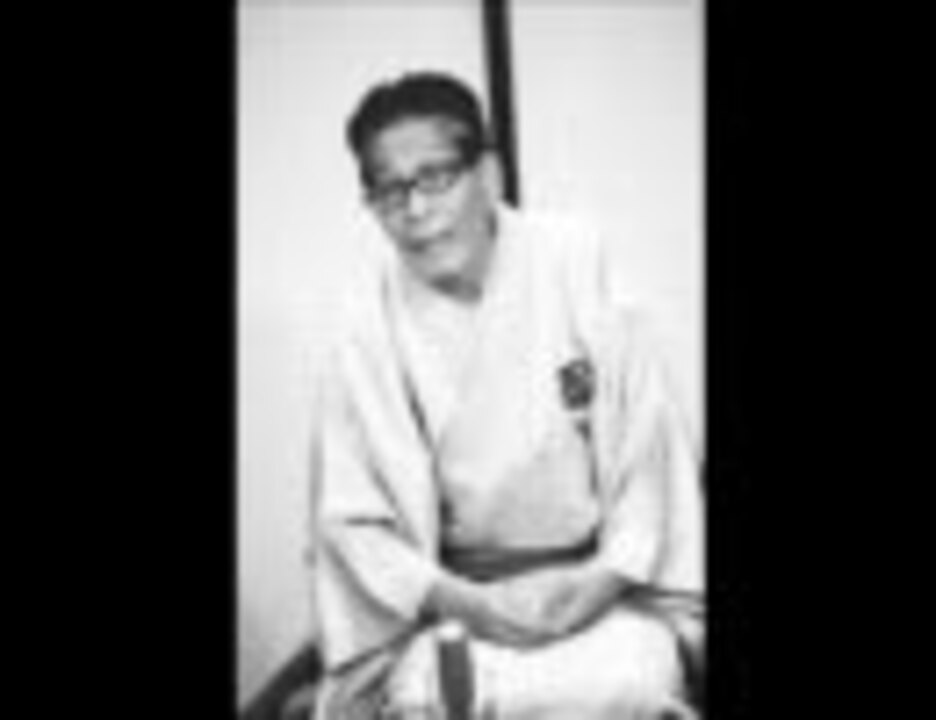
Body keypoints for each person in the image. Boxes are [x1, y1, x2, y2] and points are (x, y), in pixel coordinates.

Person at [309, 71, 705, 720]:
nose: (415, 210)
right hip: (451, 604)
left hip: (600, 590)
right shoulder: (364, 325)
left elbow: (650, 454)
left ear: (488, 173)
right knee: (430, 698)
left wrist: (601, 579)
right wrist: (467, 603)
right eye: (389, 190)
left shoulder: (576, 260)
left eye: (435, 178)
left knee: (632, 683)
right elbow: (353, 521)